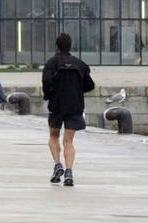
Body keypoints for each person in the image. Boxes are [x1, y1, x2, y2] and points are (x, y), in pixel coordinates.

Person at [42, 33, 95, 187]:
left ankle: (58, 165)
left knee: (53, 135)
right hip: (75, 105)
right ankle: (69, 172)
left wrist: (48, 95)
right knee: (69, 140)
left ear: (57, 46)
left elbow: (46, 81)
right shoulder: (80, 64)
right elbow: (90, 85)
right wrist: (77, 89)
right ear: (70, 46)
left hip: (57, 104)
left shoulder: (51, 63)